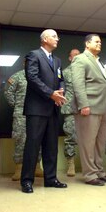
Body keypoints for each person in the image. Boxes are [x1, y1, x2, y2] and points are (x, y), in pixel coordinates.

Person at [21, 29, 67, 193]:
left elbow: (61, 79)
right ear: (45, 39)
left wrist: (61, 92)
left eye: (57, 37)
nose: (57, 39)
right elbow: (32, 78)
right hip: (36, 109)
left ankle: (51, 178)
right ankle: (27, 181)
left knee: (51, 146)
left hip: (53, 109)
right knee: (32, 146)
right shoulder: (33, 55)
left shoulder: (58, 61)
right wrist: (50, 94)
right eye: (54, 36)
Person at [71, 34, 106, 186]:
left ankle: (99, 172)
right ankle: (89, 175)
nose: (99, 44)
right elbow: (78, 84)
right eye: (96, 42)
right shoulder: (80, 59)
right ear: (87, 43)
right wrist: (83, 105)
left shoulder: (99, 62)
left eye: (100, 42)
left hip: (103, 108)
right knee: (87, 143)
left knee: (99, 143)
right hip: (89, 107)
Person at [4, 70, 44, 181]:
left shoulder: (40, 76)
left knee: (38, 139)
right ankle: (19, 168)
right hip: (21, 113)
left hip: (37, 113)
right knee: (20, 139)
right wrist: (18, 105)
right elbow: (8, 93)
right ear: (24, 63)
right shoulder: (16, 76)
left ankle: (37, 167)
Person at [61, 48, 80, 177]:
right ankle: (71, 164)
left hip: (86, 108)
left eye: (79, 55)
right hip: (70, 109)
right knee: (71, 136)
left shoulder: (86, 71)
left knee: (88, 138)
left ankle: (88, 165)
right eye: (74, 55)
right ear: (69, 58)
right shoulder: (64, 73)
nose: (77, 57)